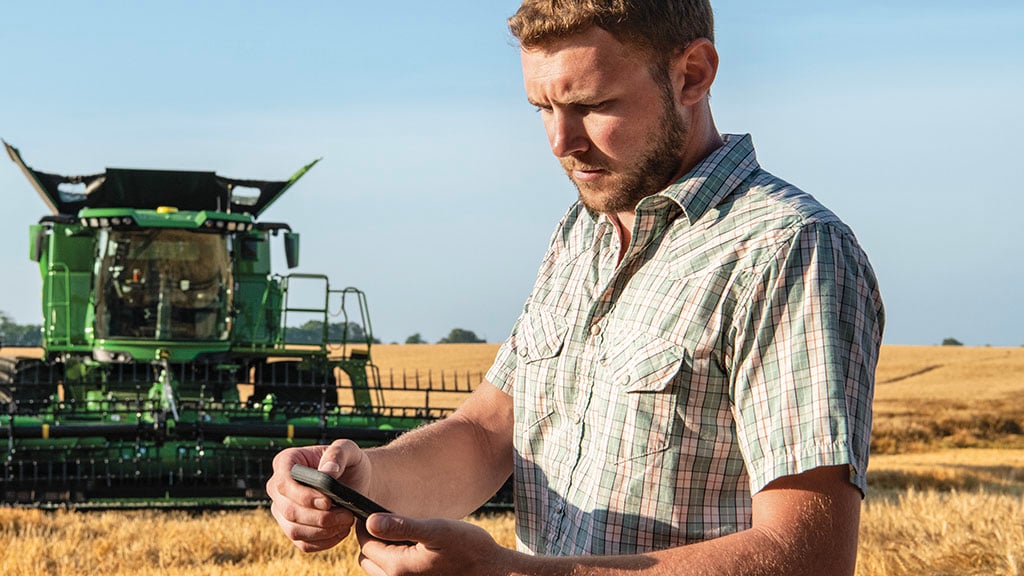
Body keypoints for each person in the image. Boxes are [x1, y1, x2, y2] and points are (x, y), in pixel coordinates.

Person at [266, 1, 885, 574]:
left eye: (591, 104)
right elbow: (489, 433)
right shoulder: (582, 231)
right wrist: (363, 478)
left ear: (692, 74)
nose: (562, 143)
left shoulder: (788, 250)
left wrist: (514, 574)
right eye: (542, 109)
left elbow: (808, 556)